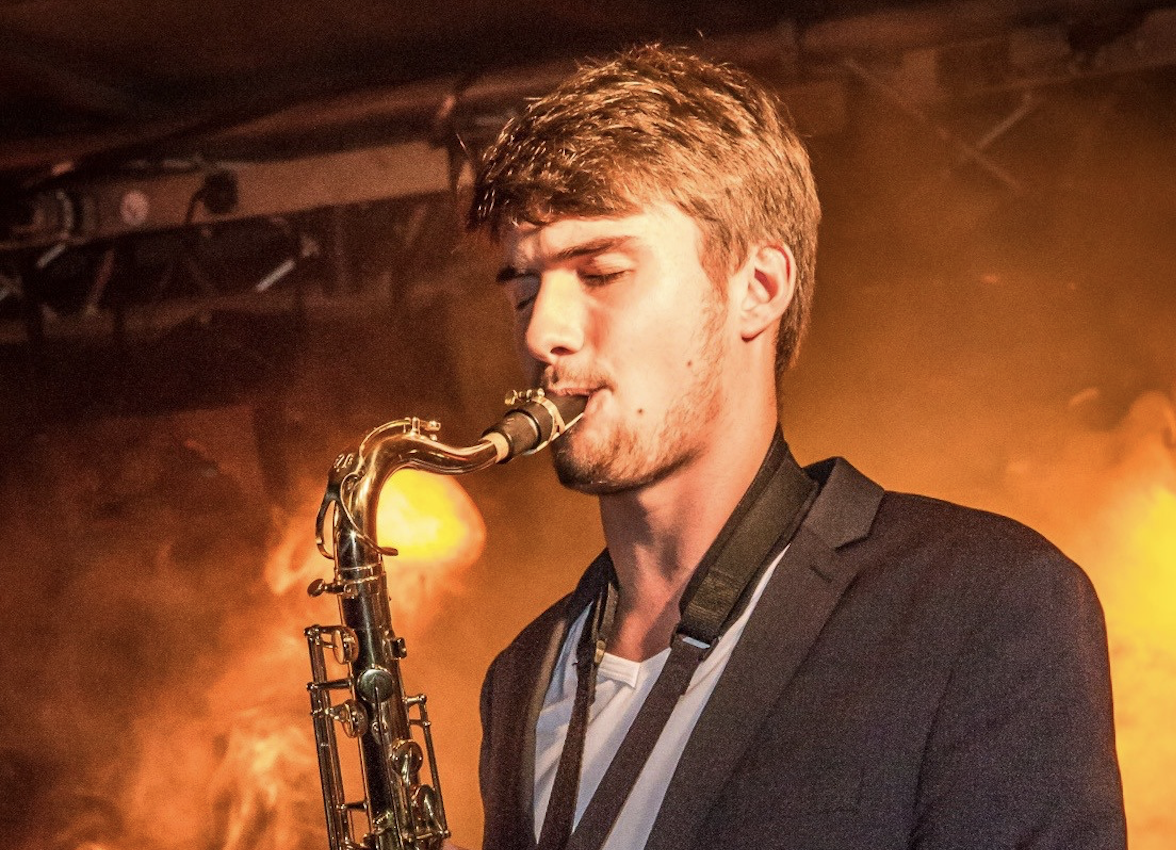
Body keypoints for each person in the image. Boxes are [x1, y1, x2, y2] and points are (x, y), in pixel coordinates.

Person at [466, 45, 1126, 850]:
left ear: (759, 287)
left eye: (601, 273)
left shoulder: (980, 606)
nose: (543, 333)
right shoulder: (522, 675)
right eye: (525, 290)